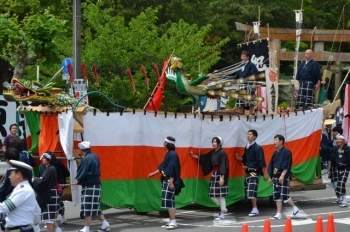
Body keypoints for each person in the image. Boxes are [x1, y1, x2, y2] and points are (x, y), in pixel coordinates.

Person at [148, 136, 185, 229]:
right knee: (169, 200)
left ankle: (173, 221)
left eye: (164, 142)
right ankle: (171, 220)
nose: (163, 143)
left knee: (170, 201)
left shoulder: (172, 154)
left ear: (167, 143)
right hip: (167, 180)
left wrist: (171, 182)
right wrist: (153, 173)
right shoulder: (169, 154)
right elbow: (162, 167)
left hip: (170, 180)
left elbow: (173, 168)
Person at [189, 136, 229, 220]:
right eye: (213, 142)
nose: (213, 143)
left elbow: (223, 165)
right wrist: (194, 156)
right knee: (212, 194)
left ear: (219, 144)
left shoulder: (222, 153)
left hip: (220, 174)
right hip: (214, 174)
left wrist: (222, 177)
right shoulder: (212, 152)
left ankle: (222, 213)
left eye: (215, 142)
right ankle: (223, 207)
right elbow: (204, 158)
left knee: (221, 195)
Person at [75, 141, 110, 232]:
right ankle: (104, 223)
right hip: (96, 184)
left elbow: (83, 171)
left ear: (82, 150)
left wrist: (78, 180)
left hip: (90, 185)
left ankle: (86, 228)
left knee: (88, 206)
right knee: (95, 206)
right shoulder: (95, 156)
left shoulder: (86, 159)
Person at [0, 160, 41, 232]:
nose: (9, 177)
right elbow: (37, 211)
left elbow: (4, 208)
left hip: (19, 229)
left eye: (11, 174)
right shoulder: (25, 188)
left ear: (18, 174)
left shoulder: (23, 190)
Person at [235, 129, 269, 217]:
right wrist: (238, 158)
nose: (248, 136)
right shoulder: (247, 147)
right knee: (248, 191)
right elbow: (245, 159)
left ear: (254, 137)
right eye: (247, 134)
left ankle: (255, 209)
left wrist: (265, 174)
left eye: (250, 134)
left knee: (252, 191)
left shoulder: (258, 148)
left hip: (254, 172)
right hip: (248, 172)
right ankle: (254, 208)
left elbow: (262, 162)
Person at [268, 135, 299, 220]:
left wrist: (282, 175)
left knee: (284, 195)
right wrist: (271, 177)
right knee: (277, 196)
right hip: (276, 176)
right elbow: (272, 165)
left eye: (276, 140)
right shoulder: (275, 153)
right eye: (274, 140)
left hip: (283, 176)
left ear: (281, 141)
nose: (274, 142)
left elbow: (287, 164)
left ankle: (294, 207)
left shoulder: (287, 152)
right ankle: (278, 213)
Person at [33, 152, 62, 232]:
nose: (42, 159)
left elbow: (44, 182)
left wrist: (35, 181)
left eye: (44, 158)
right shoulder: (50, 168)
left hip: (50, 194)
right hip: (50, 193)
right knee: (50, 216)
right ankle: (58, 230)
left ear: (49, 160)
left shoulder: (51, 169)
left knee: (49, 218)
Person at [39, 158, 70, 224]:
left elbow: (43, 179)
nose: (42, 159)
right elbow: (66, 172)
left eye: (44, 158)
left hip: (50, 188)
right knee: (59, 202)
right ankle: (62, 218)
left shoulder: (45, 167)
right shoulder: (57, 162)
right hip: (59, 185)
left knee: (50, 205)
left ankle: (51, 221)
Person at [233, 50, 259, 115]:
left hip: (249, 85)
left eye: (244, 56)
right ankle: (241, 116)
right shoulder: (240, 66)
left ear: (248, 57)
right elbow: (237, 77)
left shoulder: (251, 65)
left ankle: (251, 114)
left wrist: (254, 84)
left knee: (251, 102)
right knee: (240, 102)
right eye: (241, 56)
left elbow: (254, 75)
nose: (242, 58)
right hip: (241, 86)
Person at [332, 135, 350, 207]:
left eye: (339, 139)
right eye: (337, 139)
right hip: (338, 169)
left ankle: (344, 201)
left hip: (345, 168)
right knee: (338, 185)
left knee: (341, 183)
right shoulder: (336, 149)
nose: (337, 141)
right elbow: (333, 158)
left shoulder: (347, 148)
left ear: (343, 141)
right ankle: (342, 199)